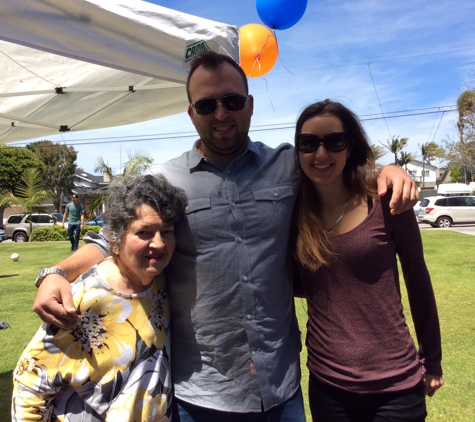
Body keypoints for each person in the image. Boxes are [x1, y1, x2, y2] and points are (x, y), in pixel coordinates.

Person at [32, 52, 419, 422]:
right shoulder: (165, 180)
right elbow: (111, 241)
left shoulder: (287, 165)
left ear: (250, 105)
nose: (221, 114)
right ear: (190, 113)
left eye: (232, 101)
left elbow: (335, 165)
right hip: (201, 393)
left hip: (280, 388)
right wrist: (55, 272)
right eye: (206, 105)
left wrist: (386, 172)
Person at [289, 100, 443, 422]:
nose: (320, 154)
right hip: (327, 385)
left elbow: (418, 279)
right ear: (298, 150)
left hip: (396, 384)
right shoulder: (292, 209)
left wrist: (432, 361)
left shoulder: (387, 201)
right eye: (308, 143)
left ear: (350, 146)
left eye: (334, 141)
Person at [13, 174, 186, 421]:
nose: (158, 244)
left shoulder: (158, 283)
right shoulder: (83, 298)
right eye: (144, 232)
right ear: (114, 239)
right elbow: (29, 385)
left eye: (166, 231)